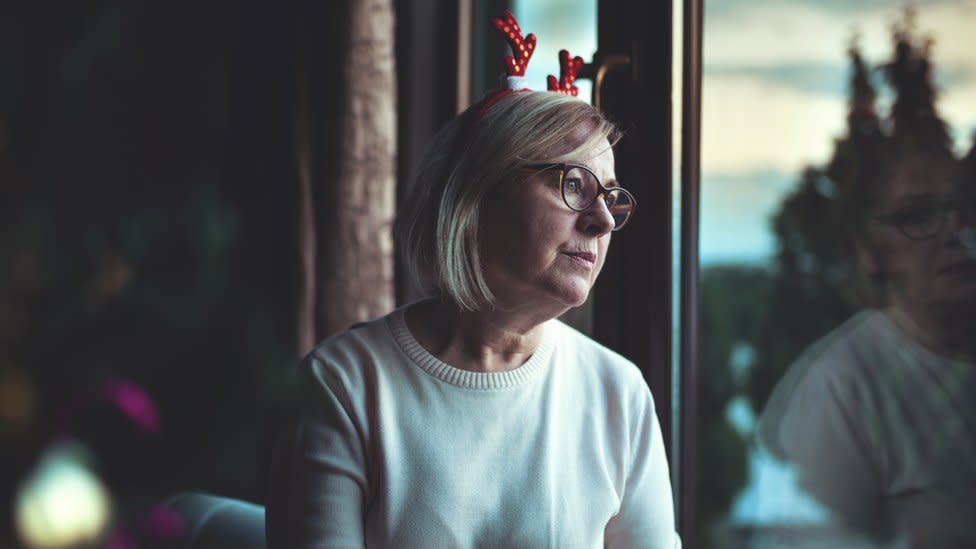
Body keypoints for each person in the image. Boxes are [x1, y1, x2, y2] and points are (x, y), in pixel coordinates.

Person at [265, 13, 680, 548]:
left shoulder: (618, 394)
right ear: (477, 198)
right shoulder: (343, 386)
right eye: (574, 184)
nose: (602, 221)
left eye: (610, 197)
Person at [755, 142, 976, 547]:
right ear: (870, 252)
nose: (956, 231)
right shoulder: (839, 387)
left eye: (965, 208)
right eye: (919, 215)